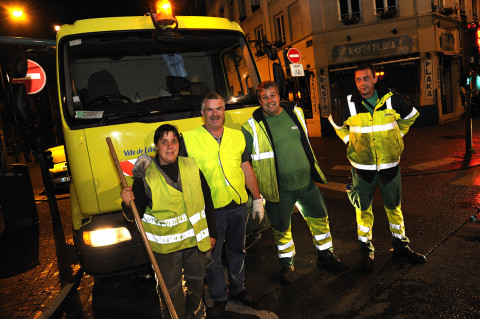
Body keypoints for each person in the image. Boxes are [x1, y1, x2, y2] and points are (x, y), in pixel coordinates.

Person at [241, 81, 346, 285]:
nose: (270, 100)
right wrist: (255, 196)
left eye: (273, 95)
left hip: (306, 183)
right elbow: (244, 162)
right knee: (281, 229)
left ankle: (326, 256)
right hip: (279, 190)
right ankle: (287, 264)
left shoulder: (296, 113)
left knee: (320, 219)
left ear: (279, 96)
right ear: (259, 100)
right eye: (265, 97)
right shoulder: (251, 127)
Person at [328, 63, 426, 272]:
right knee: (363, 212)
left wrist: (397, 136)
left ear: (374, 78)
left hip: (389, 166)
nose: (362, 83)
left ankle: (401, 246)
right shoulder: (349, 104)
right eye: (358, 79)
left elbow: (411, 116)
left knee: (394, 209)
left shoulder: (392, 99)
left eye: (366, 78)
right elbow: (336, 124)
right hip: (362, 168)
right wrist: (348, 140)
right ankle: (366, 252)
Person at [120, 124, 216, 319]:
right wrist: (126, 202)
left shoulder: (191, 165)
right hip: (166, 250)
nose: (170, 146)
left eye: (174, 141)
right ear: (156, 146)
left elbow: (207, 201)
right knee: (171, 294)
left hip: (195, 242)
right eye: (164, 142)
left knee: (197, 284)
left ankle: (197, 315)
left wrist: (212, 233)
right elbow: (134, 213)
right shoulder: (145, 176)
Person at [181, 93, 264, 318]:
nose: (215, 114)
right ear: (202, 113)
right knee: (212, 256)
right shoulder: (187, 139)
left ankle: (238, 289)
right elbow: (172, 167)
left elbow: (246, 167)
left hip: (237, 204)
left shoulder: (237, 137)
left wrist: (256, 198)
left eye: (219, 109)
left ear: (224, 111)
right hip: (211, 210)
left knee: (238, 250)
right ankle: (219, 296)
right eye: (210, 109)